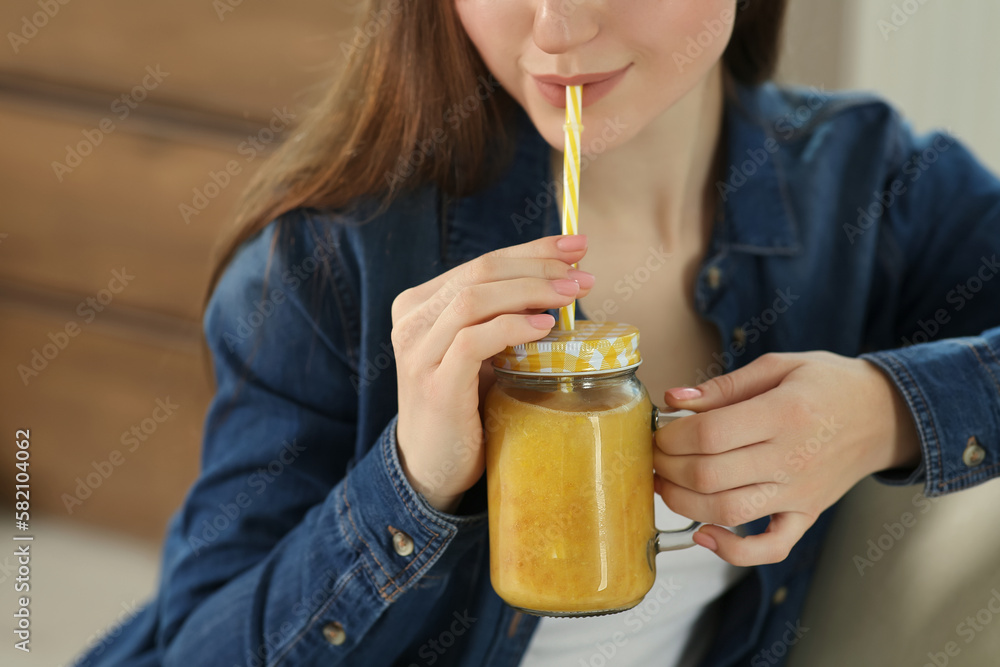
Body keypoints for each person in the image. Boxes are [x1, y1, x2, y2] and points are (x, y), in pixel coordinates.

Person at [75, 1, 1000, 665]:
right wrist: (411, 482)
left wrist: (883, 415)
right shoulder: (330, 263)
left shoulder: (867, 187)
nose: (555, 28)